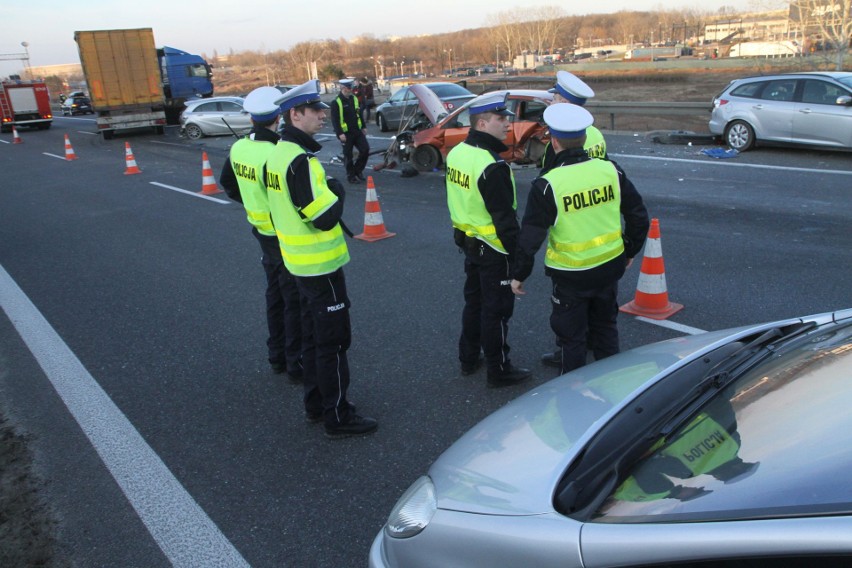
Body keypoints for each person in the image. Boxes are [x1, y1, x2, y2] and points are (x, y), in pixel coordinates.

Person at [264, 80, 378, 439]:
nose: (321, 116)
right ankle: (338, 415)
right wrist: (337, 190)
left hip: (298, 263)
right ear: (294, 114)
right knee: (333, 343)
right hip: (320, 266)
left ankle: (316, 405)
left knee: (314, 339)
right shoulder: (299, 161)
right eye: (314, 111)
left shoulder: (278, 154)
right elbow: (323, 217)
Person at [511, 104, 649, 374]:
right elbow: (638, 216)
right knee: (606, 331)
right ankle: (614, 390)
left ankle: (574, 400)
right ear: (585, 138)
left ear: (554, 141)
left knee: (572, 340)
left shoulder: (548, 184)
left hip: (571, 275)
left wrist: (519, 274)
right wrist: (629, 250)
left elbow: (530, 238)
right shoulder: (611, 170)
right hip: (610, 267)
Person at [446, 92, 531, 388]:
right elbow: (505, 220)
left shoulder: (457, 152)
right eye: (501, 118)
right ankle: (499, 369)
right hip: (494, 249)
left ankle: (468, 358)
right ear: (482, 123)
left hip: (468, 242)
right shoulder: (491, 165)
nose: (508, 124)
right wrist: (519, 261)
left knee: (474, 304)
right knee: (497, 312)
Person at [219, 86, 302, 382]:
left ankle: (277, 355)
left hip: (261, 231)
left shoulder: (241, 147)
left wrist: (253, 204)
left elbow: (227, 183)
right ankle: (296, 363)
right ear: (279, 116)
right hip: (283, 234)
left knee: (275, 295)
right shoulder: (276, 153)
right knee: (294, 300)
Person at [540, 71, 610, 368]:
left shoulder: (560, 139)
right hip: (601, 230)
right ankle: (595, 345)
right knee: (601, 305)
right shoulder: (594, 133)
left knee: (569, 308)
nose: (551, 100)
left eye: (555, 97)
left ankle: (567, 353)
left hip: (571, 238)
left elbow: (550, 185)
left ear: (565, 103)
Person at [540, 70, 607, 172]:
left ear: (563, 103)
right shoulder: (596, 132)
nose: (551, 103)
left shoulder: (560, 139)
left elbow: (549, 177)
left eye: (554, 99)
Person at [330, 78, 370, 185]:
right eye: (348, 88)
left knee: (365, 150)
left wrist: (363, 126)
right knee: (348, 155)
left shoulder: (354, 99)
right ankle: (351, 175)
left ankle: (358, 170)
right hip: (346, 134)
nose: (350, 90)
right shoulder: (336, 102)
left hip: (357, 131)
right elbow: (335, 120)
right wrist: (340, 133)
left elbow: (359, 113)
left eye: (351, 88)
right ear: (342, 88)